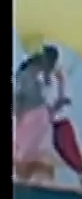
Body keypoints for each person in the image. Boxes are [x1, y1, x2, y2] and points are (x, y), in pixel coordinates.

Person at [39, 46, 82, 186]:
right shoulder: (40, 76)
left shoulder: (60, 76)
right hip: (45, 121)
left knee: (67, 147)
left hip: (59, 120)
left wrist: (55, 106)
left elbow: (65, 98)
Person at [13, 52, 57, 182]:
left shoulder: (35, 78)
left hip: (36, 116)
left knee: (30, 152)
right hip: (32, 116)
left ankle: (26, 178)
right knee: (27, 152)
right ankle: (25, 177)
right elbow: (19, 98)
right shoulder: (26, 77)